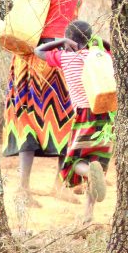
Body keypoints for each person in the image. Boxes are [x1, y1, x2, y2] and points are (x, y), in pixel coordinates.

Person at [2, 0, 100, 208]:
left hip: (33, 57)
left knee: (32, 119)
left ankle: (35, 188)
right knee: (64, 118)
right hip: (51, 57)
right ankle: (48, 186)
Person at [34, 20, 111, 223]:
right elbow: (112, 49)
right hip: (106, 116)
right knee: (97, 162)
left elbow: (38, 51)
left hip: (83, 116)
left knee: (74, 162)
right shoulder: (100, 56)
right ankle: (88, 214)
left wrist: (60, 40)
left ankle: (88, 172)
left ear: (70, 39)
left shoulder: (66, 58)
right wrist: (98, 42)